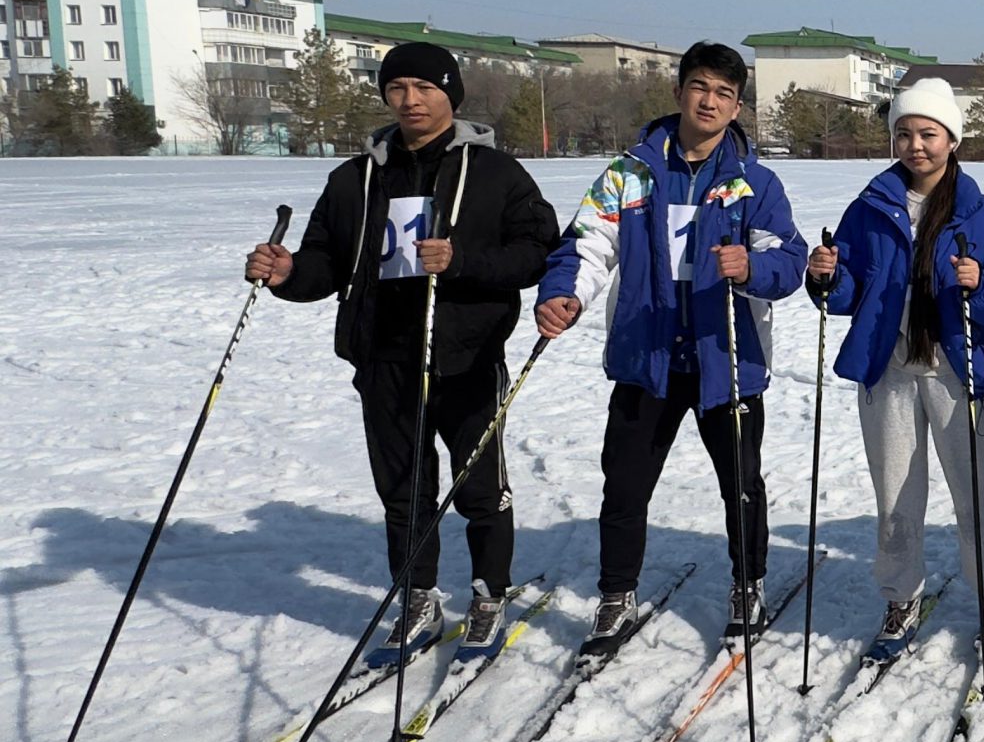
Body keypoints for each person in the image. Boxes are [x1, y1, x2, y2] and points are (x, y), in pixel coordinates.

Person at [246, 42, 558, 661]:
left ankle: (489, 592)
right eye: (397, 88)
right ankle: (417, 595)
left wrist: (463, 260)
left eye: (425, 87)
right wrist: (288, 272)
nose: (410, 100)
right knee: (403, 490)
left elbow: (536, 252)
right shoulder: (355, 178)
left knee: (478, 487)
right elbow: (327, 260)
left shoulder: (495, 173)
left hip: (466, 356)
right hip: (384, 354)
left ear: (451, 95)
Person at [536, 42, 808, 654]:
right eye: (700, 87)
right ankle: (616, 593)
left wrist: (751, 268)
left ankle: (748, 584)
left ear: (737, 107)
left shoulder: (754, 183)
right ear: (680, 91)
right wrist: (564, 295)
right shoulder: (627, 174)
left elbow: (788, 261)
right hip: (647, 357)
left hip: (726, 360)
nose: (710, 101)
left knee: (741, 484)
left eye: (724, 93)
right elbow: (587, 245)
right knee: (625, 485)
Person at [806, 77, 984, 661]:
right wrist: (825, 275)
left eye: (928, 133)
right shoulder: (868, 208)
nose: (916, 145)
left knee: (975, 492)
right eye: (904, 133)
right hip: (890, 371)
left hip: (959, 371)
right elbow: (845, 294)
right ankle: (900, 596)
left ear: (952, 138)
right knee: (896, 496)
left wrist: (981, 284)